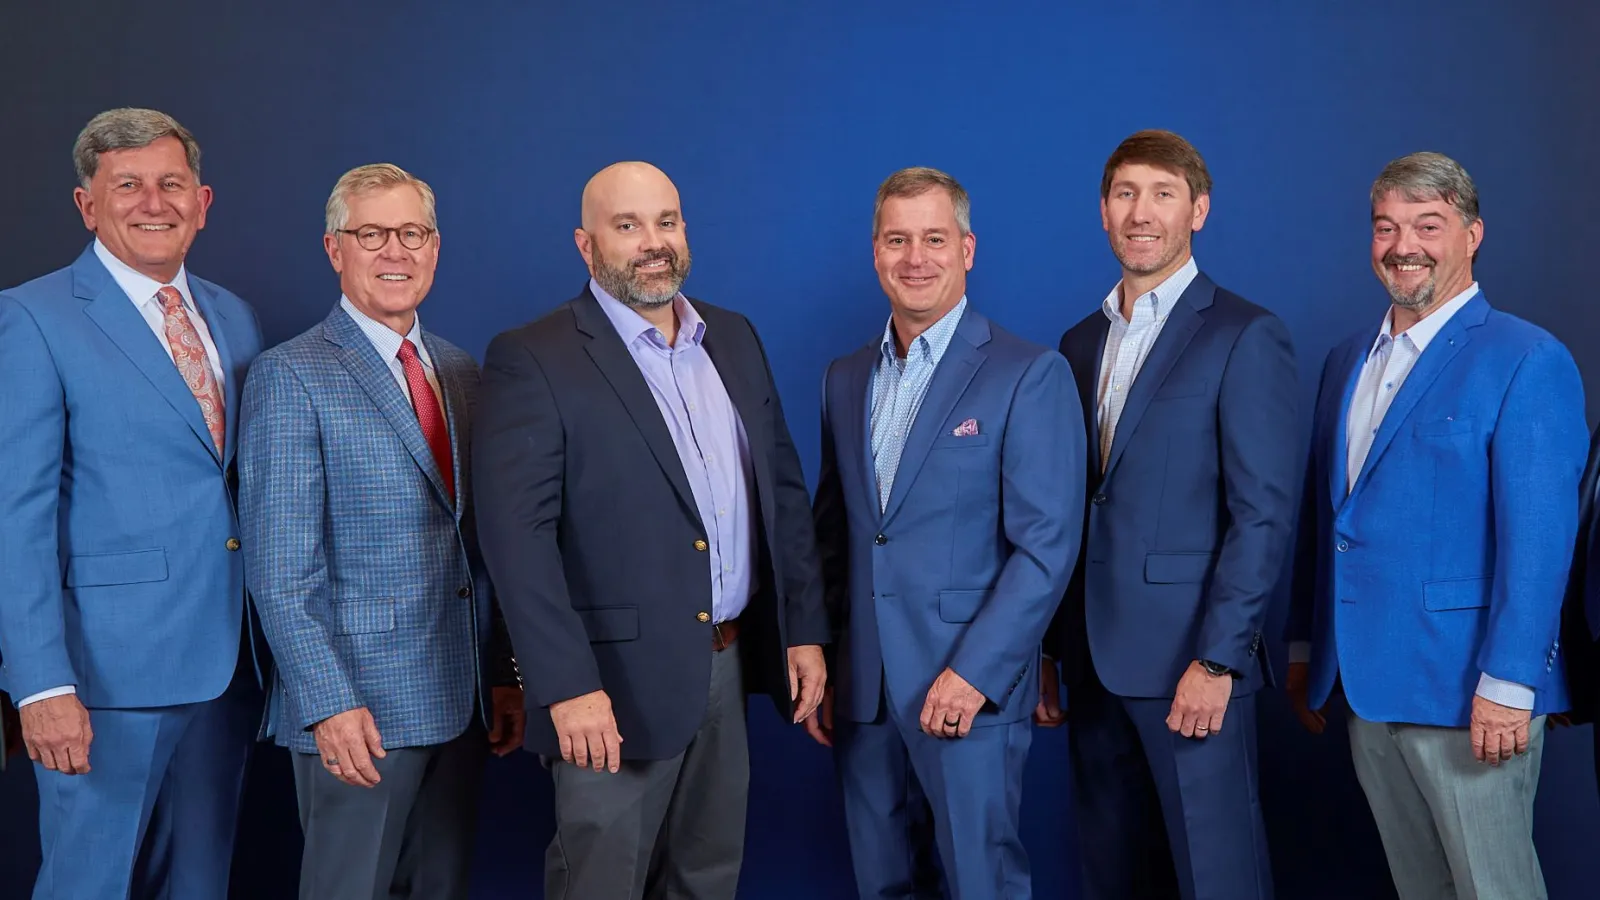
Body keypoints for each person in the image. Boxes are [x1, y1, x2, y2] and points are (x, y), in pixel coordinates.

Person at [472, 161, 829, 900]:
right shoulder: (533, 357)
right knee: (601, 882)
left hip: (728, 666)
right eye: (627, 225)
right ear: (585, 243)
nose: (652, 242)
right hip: (608, 689)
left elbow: (782, 494)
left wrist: (802, 629)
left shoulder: (730, 337)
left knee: (706, 878)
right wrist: (565, 686)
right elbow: (518, 543)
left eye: (665, 221)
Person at [1287, 151, 1586, 900]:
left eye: (1428, 224)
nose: (1403, 245)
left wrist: (1512, 680)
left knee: (1495, 890)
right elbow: (1327, 521)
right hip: (1362, 685)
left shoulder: (1526, 358)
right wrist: (1302, 645)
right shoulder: (1346, 360)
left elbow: (1542, 540)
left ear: (1472, 234)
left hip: (1468, 691)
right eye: (1385, 227)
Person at [237, 163, 524, 900]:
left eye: (412, 232)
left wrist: (501, 675)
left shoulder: (460, 372)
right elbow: (279, 570)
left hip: (458, 703)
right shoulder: (290, 375)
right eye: (371, 233)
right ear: (335, 249)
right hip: (358, 712)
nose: (394, 251)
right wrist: (328, 701)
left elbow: (479, 549)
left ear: (435, 245)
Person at [0, 107, 265, 899]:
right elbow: (16, 517)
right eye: (127, 185)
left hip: (230, 665)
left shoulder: (232, 315)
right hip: (103, 679)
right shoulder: (32, 319)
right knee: (90, 883)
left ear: (203, 201)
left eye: (170, 183)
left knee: (201, 883)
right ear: (88, 205)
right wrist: (39, 684)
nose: (154, 202)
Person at [808, 166, 1083, 899]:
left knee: (980, 882)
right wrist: (830, 657)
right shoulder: (843, 378)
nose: (915, 258)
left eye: (934, 238)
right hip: (864, 690)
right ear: (875, 252)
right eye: (897, 240)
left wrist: (977, 673)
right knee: (884, 883)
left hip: (968, 684)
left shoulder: (1028, 374)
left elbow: (1046, 545)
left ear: (968, 248)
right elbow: (836, 535)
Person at [1039, 129, 1297, 900]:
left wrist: (1220, 660)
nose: (1141, 213)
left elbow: (1262, 515)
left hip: (1192, 667)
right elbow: (1067, 507)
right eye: (1125, 194)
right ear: (1103, 212)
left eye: (1162, 194)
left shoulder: (1244, 334)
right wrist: (1051, 652)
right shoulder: (1079, 342)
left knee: (1218, 878)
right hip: (1091, 666)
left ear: (1199, 210)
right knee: (1116, 877)